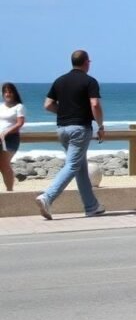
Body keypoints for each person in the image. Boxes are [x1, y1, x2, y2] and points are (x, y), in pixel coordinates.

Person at [35, 50, 105, 220]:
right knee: (73, 165)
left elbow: (47, 105)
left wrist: (64, 112)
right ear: (86, 62)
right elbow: (95, 104)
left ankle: (91, 206)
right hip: (79, 129)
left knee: (80, 168)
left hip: (62, 129)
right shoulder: (89, 81)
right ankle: (47, 197)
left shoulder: (59, 81)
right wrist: (101, 126)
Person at [1, 82, 26, 191]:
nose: (7, 94)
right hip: (0, 138)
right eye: (5, 92)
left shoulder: (19, 106)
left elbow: (20, 123)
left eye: (10, 92)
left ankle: (9, 191)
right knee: (2, 166)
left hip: (11, 139)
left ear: (14, 93)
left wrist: (6, 132)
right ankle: (13, 179)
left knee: (4, 164)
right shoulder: (1, 106)